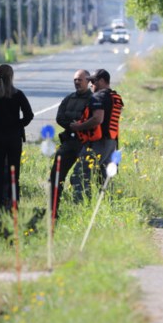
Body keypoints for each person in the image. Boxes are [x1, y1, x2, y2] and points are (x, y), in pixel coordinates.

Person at [0, 64, 33, 215]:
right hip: (14, 138)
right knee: (14, 171)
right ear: (12, 76)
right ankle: (13, 202)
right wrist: (18, 125)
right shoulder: (17, 94)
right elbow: (29, 115)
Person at [69, 68, 124, 198]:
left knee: (80, 174)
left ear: (103, 81)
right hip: (111, 142)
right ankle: (108, 205)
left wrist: (79, 127)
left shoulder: (98, 96)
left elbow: (98, 119)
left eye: (93, 81)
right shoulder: (115, 97)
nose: (91, 84)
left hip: (100, 143)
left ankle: (81, 205)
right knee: (104, 177)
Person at [49, 69, 92, 217]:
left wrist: (80, 125)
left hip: (84, 144)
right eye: (75, 80)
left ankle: (81, 212)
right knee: (56, 176)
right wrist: (72, 125)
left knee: (80, 178)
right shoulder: (68, 99)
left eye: (80, 79)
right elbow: (59, 117)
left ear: (88, 81)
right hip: (69, 142)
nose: (77, 82)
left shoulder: (93, 99)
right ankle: (53, 211)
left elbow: (93, 120)